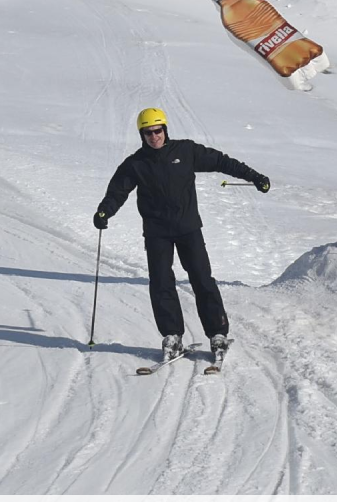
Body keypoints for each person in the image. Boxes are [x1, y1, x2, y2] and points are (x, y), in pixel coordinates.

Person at [94, 107, 270, 364]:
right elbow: (117, 192)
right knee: (161, 283)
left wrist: (254, 177)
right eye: (148, 133)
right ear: (141, 135)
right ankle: (172, 336)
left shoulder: (186, 151)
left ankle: (217, 334)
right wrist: (104, 211)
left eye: (158, 130)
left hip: (188, 229)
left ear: (165, 129)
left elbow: (222, 161)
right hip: (157, 233)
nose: (154, 136)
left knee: (202, 279)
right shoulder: (135, 164)